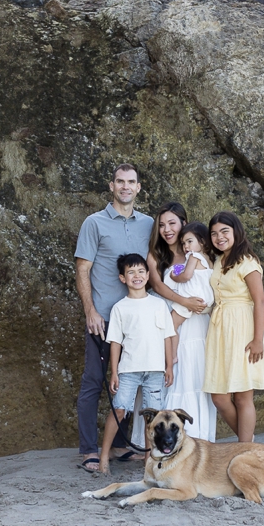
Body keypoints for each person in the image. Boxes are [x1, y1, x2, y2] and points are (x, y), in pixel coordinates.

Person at [73, 164, 155, 472]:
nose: (125, 186)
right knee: (94, 382)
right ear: (111, 186)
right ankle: (88, 450)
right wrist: (90, 311)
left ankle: (121, 445)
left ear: (138, 187)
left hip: (137, 321)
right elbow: (82, 269)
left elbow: (164, 263)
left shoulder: (148, 224)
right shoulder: (94, 223)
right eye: (120, 181)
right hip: (104, 319)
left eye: (131, 182)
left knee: (129, 383)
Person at [133, 205, 217, 445]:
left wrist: (203, 305)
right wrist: (185, 302)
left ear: (183, 223)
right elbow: (158, 286)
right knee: (169, 377)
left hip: (197, 324)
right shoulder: (156, 255)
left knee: (194, 377)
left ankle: (197, 438)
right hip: (170, 319)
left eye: (172, 223)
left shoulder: (197, 253)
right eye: (161, 225)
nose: (166, 229)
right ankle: (159, 442)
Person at [100, 253, 175, 474]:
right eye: (131, 272)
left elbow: (167, 337)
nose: (137, 276)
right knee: (119, 410)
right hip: (129, 370)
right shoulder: (120, 307)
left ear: (148, 275)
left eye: (141, 271)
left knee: (153, 417)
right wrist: (114, 372)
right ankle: (104, 455)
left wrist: (169, 366)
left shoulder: (159, 304)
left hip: (155, 370)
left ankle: (149, 460)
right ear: (122, 278)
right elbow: (115, 342)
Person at [204, 210, 264, 443]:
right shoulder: (218, 260)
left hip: (243, 329)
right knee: (219, 398)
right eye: (214, 233)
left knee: (242, 397)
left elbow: (260, 301)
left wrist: (257, 340)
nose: (219, 237)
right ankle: (248, 443)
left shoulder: (247, 262)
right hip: (220, 330)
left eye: (224, 231)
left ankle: (244, 448)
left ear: (236, 232)